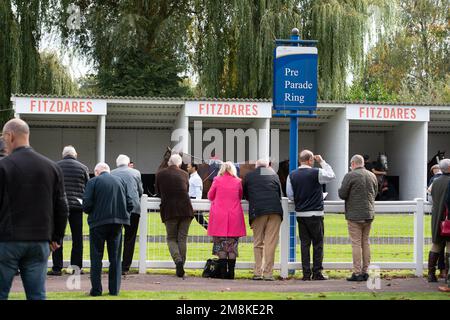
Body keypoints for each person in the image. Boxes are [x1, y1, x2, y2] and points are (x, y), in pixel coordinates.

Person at [0, 119, 68, 300]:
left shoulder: (3, 167)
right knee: (37, 294)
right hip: (40, 240)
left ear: (10, 135)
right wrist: (56, 237)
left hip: (8, 240)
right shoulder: (52, 167)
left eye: (3, 137)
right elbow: (62, 207)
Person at [83, 162, 132, 296]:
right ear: (109, 171)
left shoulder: (93, 182)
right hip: (117, 223)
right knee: (115, 258)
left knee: (96, 257)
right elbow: (130, 203)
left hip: (98, 223)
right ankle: (114, 290)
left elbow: (86, 205)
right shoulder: (120, 181)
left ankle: (97, 290)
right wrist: (124, 216)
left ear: (97, 171)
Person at [286, 150, 336, 281]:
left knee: (304, 244)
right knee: (318, 244)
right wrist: (322, 162)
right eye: (313, 161)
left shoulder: (292, 175)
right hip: (315, 212)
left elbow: (290, 195)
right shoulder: (316, 172)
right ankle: (317, 272)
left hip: (301, 214)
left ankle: (306, 274)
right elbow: (331, 176)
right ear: (310, 160)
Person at [48, 146, 90, 276]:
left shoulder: (55, 166)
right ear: (75, 155)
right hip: (77, 206)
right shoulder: (83, 168)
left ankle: (56, 267)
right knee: (77, 238)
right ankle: (76, 267)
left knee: (57, 236)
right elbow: (87, 187)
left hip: (60, 207)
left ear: (63, 155)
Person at [338, 155, 378, 281]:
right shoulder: (372, 175)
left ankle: (356, 272)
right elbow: (375, 193)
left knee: (356, 243)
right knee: (365, 242)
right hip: (368, 214)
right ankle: (365, 271)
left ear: (353, 163)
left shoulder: (350, 175)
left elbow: (342, 194)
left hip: (354, 215)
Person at [243, 159, 283, 281]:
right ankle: (268, 273)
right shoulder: (274, 175)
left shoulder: (249, 176)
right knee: (271, 243)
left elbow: (246, 194)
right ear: (267, 166)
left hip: (258, 211)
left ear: (256, 166)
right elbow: (279, 193)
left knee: (258, 242)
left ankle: (257, 272)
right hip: (275, 211)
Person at [155, 154, 194, 278]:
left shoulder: (160, 174)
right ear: (179, 164)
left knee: (171, 238)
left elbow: (158, 192)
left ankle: (178, 261)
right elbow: (186, 190)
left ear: (168, 163)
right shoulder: (185, 174)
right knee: (182, 238)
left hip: (170, 210)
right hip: (186, 209)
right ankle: (181, 265)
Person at [207, 161, 246, 279]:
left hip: (219, 216)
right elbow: (240, 196)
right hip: (234, 215)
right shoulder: (238, 181)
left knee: (220, 244)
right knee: (232, 245)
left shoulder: (217, 180)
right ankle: (232, 273)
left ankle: (223, 273)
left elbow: (210, 196)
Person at [111, 154, 143, 275]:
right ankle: (125, 266)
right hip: (133, 209)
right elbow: (140, 191)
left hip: (116, 209)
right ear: (128, 162)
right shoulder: (136, 173)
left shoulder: (111, 173)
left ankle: (115, 263)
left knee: (115, 237)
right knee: (130, 238)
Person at [427, 159, 450, 290]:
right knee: (449, 246)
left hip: (436, 216)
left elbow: (430, 199)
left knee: (436, 244)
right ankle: (447, 276)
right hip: (448, 217)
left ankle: (431, 274)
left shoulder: (435, 181)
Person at [187, 163, 208, 229]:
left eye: (189, 167)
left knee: (200, 220)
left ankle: (214, 233)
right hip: (191, 200)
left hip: (194, 202)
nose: (187, 168)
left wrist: (196, 205)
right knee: (198, 220)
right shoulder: (192, 177)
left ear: (193, 168)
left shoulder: (196, 178)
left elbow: (199, 193)